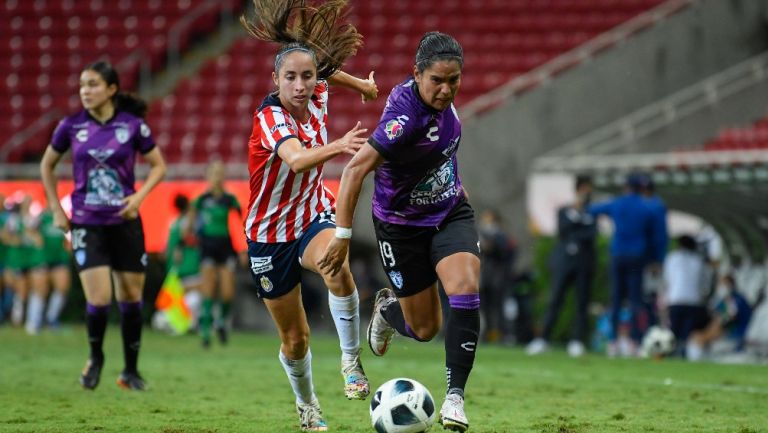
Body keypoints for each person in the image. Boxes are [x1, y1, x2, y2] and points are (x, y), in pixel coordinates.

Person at [320, 31, 479, 432]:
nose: (446, 90)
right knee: (425, 329)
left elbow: (440, 155)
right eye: (437, 81)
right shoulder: (404, 119)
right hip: (401, 227)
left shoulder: (443, 104)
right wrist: (341, 237)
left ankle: (455, 400)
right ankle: (388, 311)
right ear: (417, 75)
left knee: (464, 288)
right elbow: (355, 169)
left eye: (454, 80)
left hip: (449, 213)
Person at [240, 1, 378, 430]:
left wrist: (360, 85)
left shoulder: (316, 89)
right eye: (290, 78)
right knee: (295, 340)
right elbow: (297, 161)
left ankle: (351, 361)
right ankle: (308, 405)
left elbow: (324, 72)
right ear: (275, 80)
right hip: (268, 235)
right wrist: (337, 146)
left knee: (336, 265)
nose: (301, 85)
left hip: (311, 213)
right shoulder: (271, 118)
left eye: (307, 76)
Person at [40, 60, 167, 391]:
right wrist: (56, 208)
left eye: (93, 84)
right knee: (99, 299)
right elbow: (47, 165)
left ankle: (130, 371)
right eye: (82, 85)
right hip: (86, 222)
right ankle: (95, 358)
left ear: (111, 90)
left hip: (125, 222)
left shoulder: (133, 126)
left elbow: (158, 166)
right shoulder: (69, 126)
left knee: (131, 297)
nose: (85, 90)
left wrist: (138, 199)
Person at [527, 175, 596, 357]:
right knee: (555, 299)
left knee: (581, 303)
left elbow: (591, 234)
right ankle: (543, 339)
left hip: (584, 263)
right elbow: (562, 230)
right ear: (578, 190)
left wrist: (579, 222)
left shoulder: (592, 212)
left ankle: (577, 341)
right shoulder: (564, 210)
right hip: (564, 263)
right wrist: (578, 219)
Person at [588, 174, 655, 357]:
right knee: (635, 300)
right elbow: (654, 236)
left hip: (618, 254)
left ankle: (613, 342)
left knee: (616, 299)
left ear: (626, 187)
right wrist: (655, 259)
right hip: (637, 256)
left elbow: (592, 210)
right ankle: (634, 341)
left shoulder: (617, 203)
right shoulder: (646, 207)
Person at [186, 162, 241, 347]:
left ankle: (220, 323)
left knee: (227, 292)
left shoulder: (230, 199)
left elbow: (241, 222)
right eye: (213, 173)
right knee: (209, 289)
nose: (217, 176)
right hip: (208, 246)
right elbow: (189, 225)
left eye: (220, 173)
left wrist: (242, 248)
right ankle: (206, 334)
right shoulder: (201, 199)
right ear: (208, 177)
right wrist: (191, 234)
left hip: (225, 247)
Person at [659, 234, 708, 356]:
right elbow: (704, 284)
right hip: (694, 301)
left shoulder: (672, 258)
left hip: (676, 299)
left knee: (674, 331)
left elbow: (667, 280)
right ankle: (686, 354)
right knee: (688, 333)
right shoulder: (698, 260)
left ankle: (673, 354)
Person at [477, 209, 516, 343]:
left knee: (498, 307)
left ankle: (503, 335)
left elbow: (505, 254)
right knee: (485, 307)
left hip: (498, 278)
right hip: (485, 277)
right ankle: (488, 334)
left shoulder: (502, 236)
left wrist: (491, 246)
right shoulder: (481, 235)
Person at [164, 194, 202, 328]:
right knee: (193, 299)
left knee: (192, 299)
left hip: (177, 272)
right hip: (185, 272)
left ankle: (184, 323)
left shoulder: (173, 223)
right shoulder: (184, 224)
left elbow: (166, 251)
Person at [40, 207, 72, 329]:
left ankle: (51, 319)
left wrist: (68, 249)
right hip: (42, 259)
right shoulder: (40, 218)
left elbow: (68, 238)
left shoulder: (65, 217)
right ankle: (34, 322)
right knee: (40, 290)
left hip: (59, 259)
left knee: (62, 288)